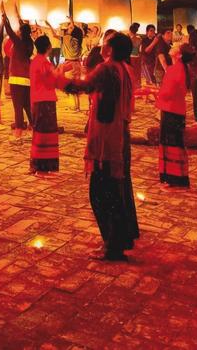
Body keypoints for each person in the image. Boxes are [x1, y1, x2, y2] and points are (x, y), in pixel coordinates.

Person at [66, 34, 137, 260]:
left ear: (111, 49)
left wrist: (55, 78)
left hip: (107, 139)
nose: (103, 44)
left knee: (101, 193)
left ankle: (112, 246)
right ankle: (119, 240)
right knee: (118, 191)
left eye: (107, 41)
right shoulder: (126, 69)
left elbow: (82, 86)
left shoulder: (107, 69)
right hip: (120, 135)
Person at [29, 34, 71, 174]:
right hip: (45, 101)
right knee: (45, 133)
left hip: (37, 100)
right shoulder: (44, 63)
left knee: (39, 133)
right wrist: (62, 70)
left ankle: (37, 163)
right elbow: (51, 81)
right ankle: (44, 164)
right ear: (49, 47)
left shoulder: (36, 61)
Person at [156, 44, 192, 187]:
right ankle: (176, 177)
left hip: (171, 109)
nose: (173, 46)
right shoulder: (182, 68)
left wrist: (157, 95)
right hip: (176, 109)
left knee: (171, 145)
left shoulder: (175, 69)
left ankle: (173, 178)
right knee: (175, 144)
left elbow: (168, 92)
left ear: (179, 55)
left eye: (177, 46)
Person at [0, 4, 33, 140]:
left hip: (16, 79)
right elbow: (23, 28)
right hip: (26, 79)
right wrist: (18, 14)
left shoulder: (18, 42)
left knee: (17, 106)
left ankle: (18, 131)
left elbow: (9, 30)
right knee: (26, 104)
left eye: (19, 30)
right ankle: (34, 128)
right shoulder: (29, 42)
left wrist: (4, 16)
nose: (17, 31)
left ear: (20, 32)